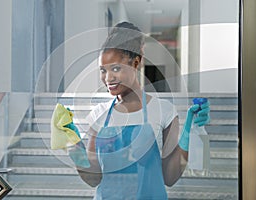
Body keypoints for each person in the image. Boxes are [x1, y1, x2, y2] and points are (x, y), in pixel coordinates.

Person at [59, 21, 210, 200]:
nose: (108, 78)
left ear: (136, 62)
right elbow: (93, 178)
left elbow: (170, 177)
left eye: (116, 69)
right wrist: (73, 144)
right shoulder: (99, 114)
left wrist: (188, 133)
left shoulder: (164, 111)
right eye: (103, 70)